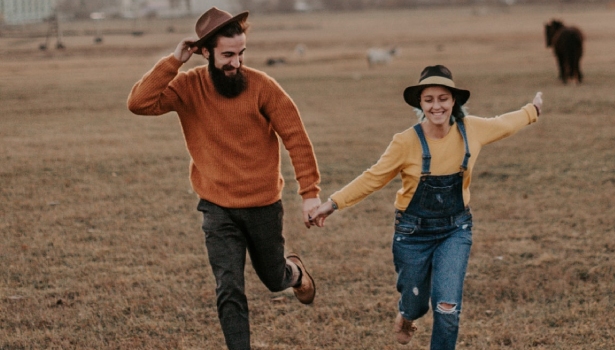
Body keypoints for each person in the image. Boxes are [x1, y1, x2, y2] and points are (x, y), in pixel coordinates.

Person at [309, 64, 544, 349]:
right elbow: (373, 178)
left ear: (453, 101)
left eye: (443, 98)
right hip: (412, 233)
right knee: (416, 303)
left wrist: (532, 111)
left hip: (455, 230)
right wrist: (332, 204)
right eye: (429, 99)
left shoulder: (472, 130)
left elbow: (505, 123)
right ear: (420, 103)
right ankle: (408, 315)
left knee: (447, 309)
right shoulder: (405, 142)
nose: (437, 106)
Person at [127, 7, 320, 350]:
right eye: (228, 55)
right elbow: (139, 103)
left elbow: (296, 137)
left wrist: (310, 194)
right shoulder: (186, 87)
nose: (236, 63)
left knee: (274, 280)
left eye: (241, 53)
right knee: (229, 287)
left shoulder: (262, 86)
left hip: (262, 204)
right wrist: (174, 61)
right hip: (217, 207)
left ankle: (294, 272)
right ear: (205, 52)